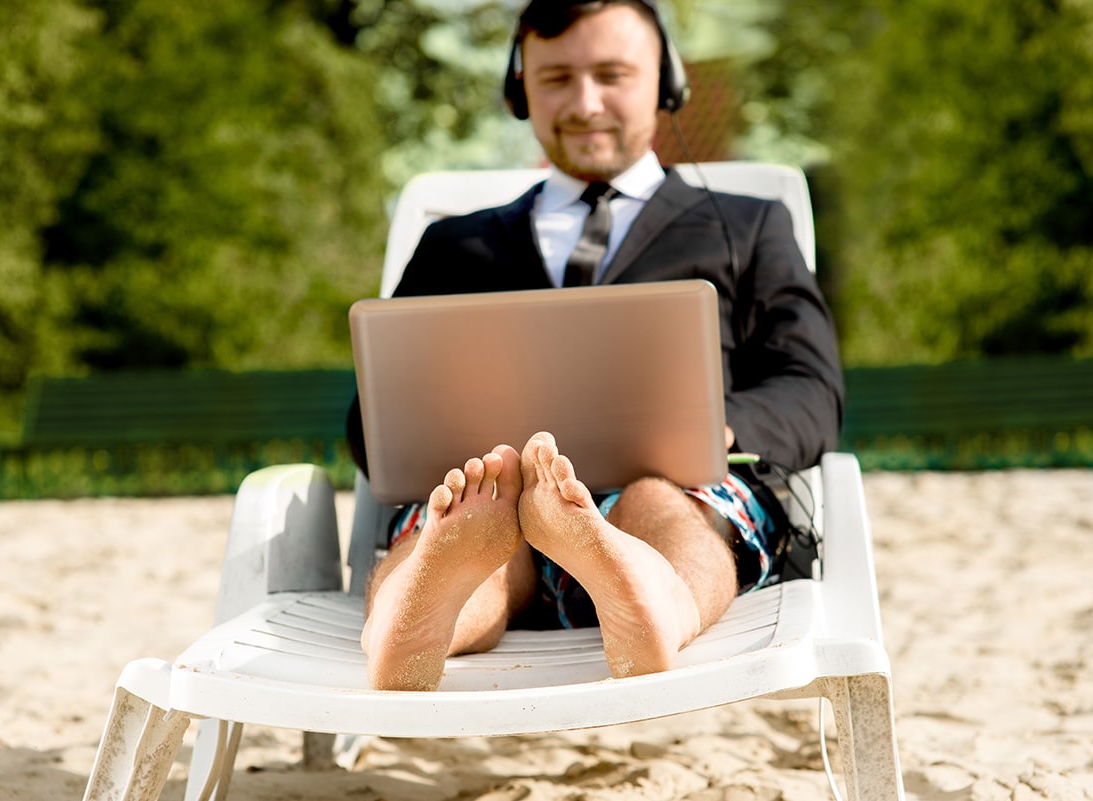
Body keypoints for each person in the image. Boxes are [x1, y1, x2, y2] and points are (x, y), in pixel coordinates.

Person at [349, 0, 844, 691]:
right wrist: (451, 461)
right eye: (556, 79)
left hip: (683, 489)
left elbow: (811, 385)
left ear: (666, 83)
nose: (585, 103)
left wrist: (722, 428)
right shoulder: (454, 245)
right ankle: (418, 620)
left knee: (657, 501)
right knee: (470, 526)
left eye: (612, 74)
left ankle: (652, 600)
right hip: (499, 498)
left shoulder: (748, 227)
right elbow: (370, 422)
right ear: (520, 90)